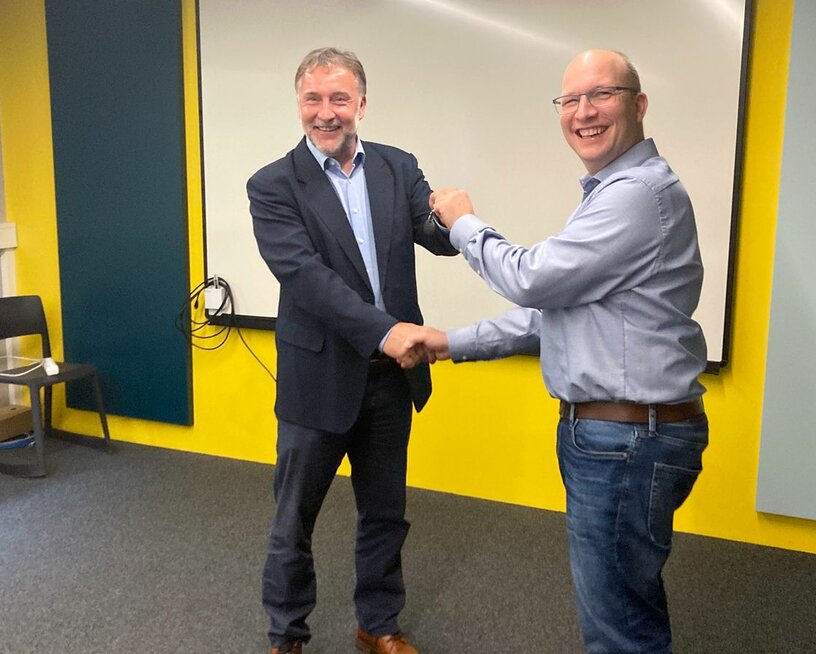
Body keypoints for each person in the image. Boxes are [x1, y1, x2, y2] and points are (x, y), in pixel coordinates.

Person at [410, 49, 709, 653]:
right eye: (570, 99)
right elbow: (557, 314)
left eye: (601, 94)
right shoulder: (614, 193)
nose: (583, 112)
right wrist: (450, 343)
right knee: (625, 606)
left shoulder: (637, 194)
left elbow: (531, 280)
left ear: (639, 104)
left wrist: (463, 222)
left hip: (625, 442)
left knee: (619, 629)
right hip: (621, 437)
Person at [247, 47, 457, 654]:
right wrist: (384, 331)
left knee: (385, 512)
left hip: (391, 377)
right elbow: (306, 278)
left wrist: (456, 221)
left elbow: (434, 236)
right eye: (312, 98)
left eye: (339, 98)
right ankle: (287, 635)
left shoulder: (396, 166)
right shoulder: (273, 184)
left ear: (361, 104)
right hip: (319, 377)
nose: (325, 112)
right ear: (299, 103)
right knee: (294, 519)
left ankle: (378, 624)